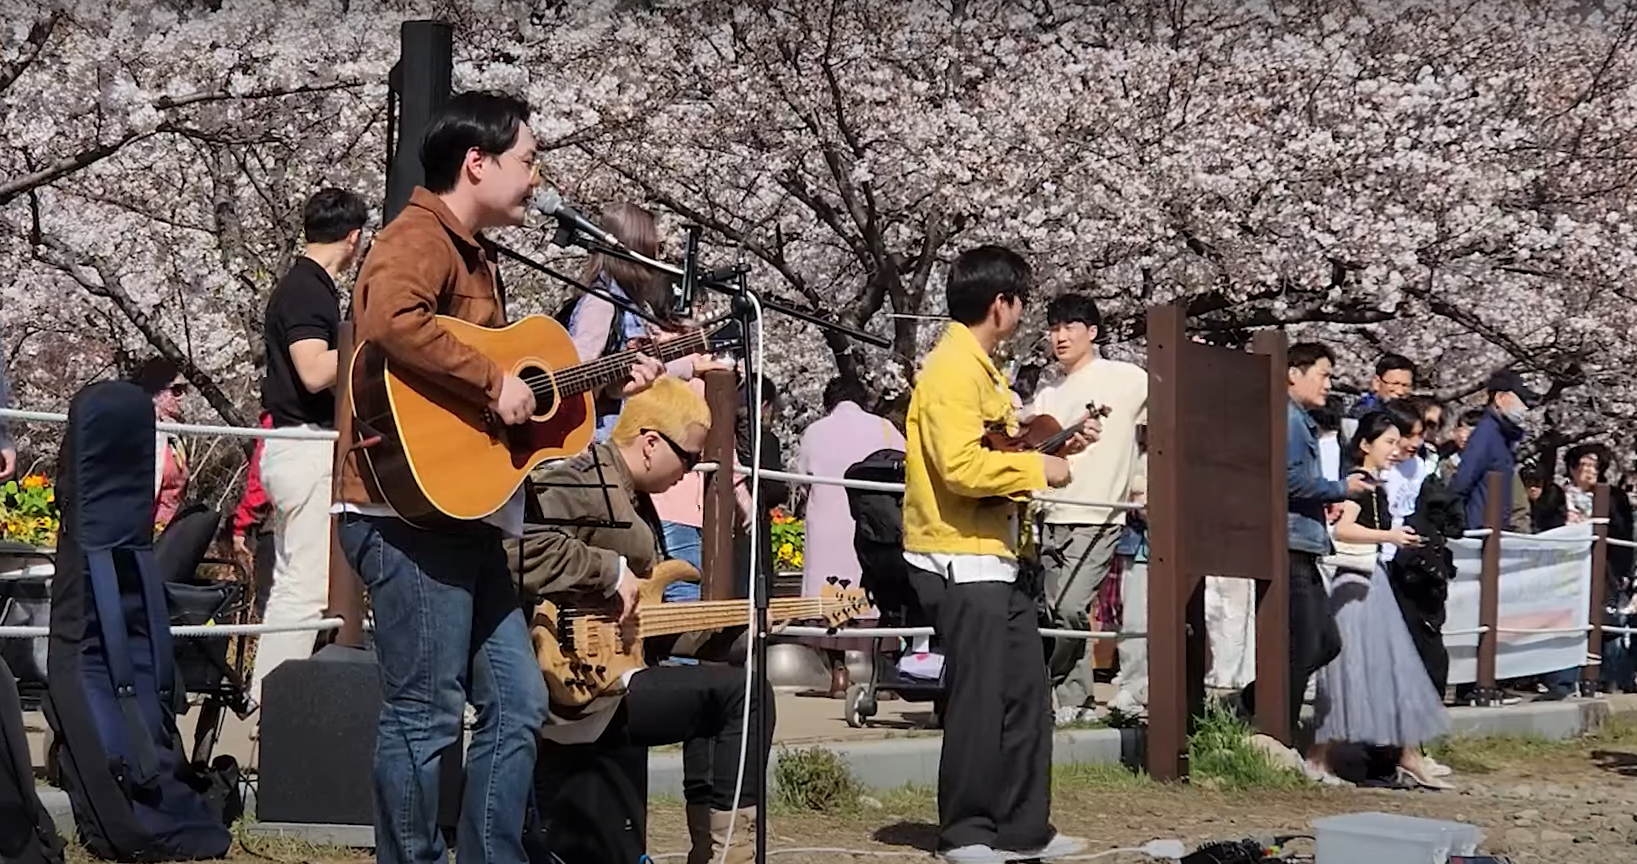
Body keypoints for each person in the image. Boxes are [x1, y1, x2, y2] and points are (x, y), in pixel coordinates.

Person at [334, 90, 662, 864]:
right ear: (476, 163)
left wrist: (610, 385)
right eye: (528, 159)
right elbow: (391, 320)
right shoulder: (418, 236)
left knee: (516, 703)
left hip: (466, 520)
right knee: (425, 713)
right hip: (404, 522)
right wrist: (491, 381)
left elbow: (519, 400)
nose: (537, 177)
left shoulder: (477, 252)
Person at [509, 377, 771, 864]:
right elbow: (515, 545)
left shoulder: (631, 496)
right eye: (688, 458)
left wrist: (732, 635)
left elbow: (641, 626)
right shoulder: (582, 479)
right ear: (650, 443)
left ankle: (713, 849)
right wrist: (607, 570)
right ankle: (728, 853)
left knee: (728, 688)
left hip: (617, 674)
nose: (689, 472)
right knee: (746, 695)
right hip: (569, 688)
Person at [902, 245, 1093, 864]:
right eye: (1021, 300)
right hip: (957, 555)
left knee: (1024, 695)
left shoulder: (981, 368)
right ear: (1000, 303)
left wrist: (1056, 447)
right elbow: (960, 467)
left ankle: (1022, 827)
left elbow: (997, 448)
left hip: (995, 555)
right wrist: (1040, 468)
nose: (1025, 312)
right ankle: (965, 832)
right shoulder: (951, 370)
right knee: (981, 699)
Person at [249, 187, 368, 703]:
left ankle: (271, 701)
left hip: (296, 447)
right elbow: (315, 370)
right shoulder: (307, 290)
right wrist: (372, 345)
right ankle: (271, 704)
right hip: (306, 446)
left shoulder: (306, 285)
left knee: (300, 581)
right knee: (305, 586)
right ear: (354, 238)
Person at [1311, 412, 1452, 789]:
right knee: (1355, 669)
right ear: (1365, 445)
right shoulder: (1361, 484)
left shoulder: (1375, 484)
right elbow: (1343, 529)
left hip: (1372, 581)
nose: (1395, 449)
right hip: (1357, 585)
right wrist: (1389, 536)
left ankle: (1405, 754)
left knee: (1387, 667)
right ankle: (1320, 756)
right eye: (1388, 442)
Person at [1241, 343, 1372, 739]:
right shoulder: (1289, 419)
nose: (1328, 384)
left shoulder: (1296, 418)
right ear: (1293, 373)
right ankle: (1278, 728)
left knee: (1324, 641)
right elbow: (1288, 479)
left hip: (1302, 542)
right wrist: (1340, 488)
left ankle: (1256, 703)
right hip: (1290, 542)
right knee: (1308, 643)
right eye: (1323, 374)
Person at [1028, 292, 1148, 724]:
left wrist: (1144, 478)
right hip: (1051, 516)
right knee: (1057, 613)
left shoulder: (1127, 378)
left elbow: (1169, 419)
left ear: (1092, 332)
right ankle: (1074, 702)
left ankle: (1065, 691)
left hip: (1098, 514)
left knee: (1070, 607)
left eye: (1070, 327)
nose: (1060, 337)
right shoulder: (1048, 393)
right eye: (1054, 328)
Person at [563, 202, 727, 442]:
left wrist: (692, 364)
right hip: (599, 438)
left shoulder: (631, 304)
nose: (658, 255)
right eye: (654, 247)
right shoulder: (600, 303)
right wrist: (606, 387)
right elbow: (575, 373)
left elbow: (643, 364)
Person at [795, 376, 905, 600]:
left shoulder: (814, 432)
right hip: (873, 527)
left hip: (826, 530)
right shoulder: (885, 428)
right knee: (872, 595)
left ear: (829, 402)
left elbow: (803, 484)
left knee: (825, 597)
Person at [133, 358, 191, 532]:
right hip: (141, 529)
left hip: (169, 530)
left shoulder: (177, 435)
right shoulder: (141, 432)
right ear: (155, 394)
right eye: (177, 391)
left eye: (185, 390)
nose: (184, 397)